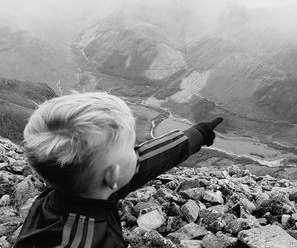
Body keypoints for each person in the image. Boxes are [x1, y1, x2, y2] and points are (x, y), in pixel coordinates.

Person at [14, 92, 223, 248]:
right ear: (113, 176)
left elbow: (148, 161)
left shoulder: (81, 188)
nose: (137, 153)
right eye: (132, 148)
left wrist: (196, 135)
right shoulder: (82, 241)